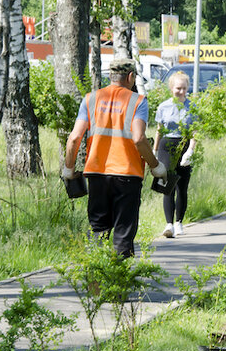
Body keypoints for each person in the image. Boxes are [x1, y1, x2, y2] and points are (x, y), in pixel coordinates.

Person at [62, 57, 166, 256]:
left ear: (110, 76)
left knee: (97, 233)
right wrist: (155, 166)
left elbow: (74, 138)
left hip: (96, 174)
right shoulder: (138, 101)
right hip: (127, 175)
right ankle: (118, 284)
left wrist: (68, 169)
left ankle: (96, 285)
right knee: (122, 237)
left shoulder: (90, 99)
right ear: (130, 77)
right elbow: (139, 139)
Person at [153, 70, 197, 238]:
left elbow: (195, 131)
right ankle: (169, 224)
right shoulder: (163, 106)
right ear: (171, 88)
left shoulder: (192, 107)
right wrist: (155, 151)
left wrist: (191, 150)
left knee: (182, 187)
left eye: (184, 88)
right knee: (167, 186)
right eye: (178, 88)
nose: (181, 92)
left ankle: (179, 222)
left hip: (184, 145)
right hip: (167, 145)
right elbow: (159, 130)